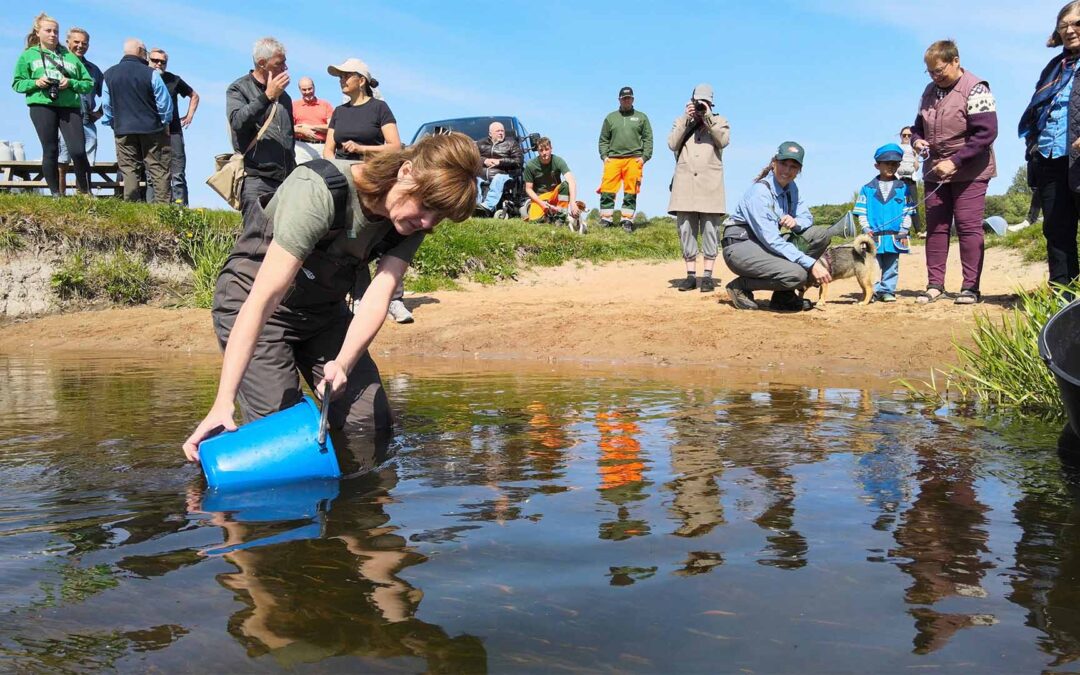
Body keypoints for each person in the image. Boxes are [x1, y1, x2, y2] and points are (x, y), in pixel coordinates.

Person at [182, 133, 481, 462]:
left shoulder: (410, 223)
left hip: (323, 313)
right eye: (425, 205)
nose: (426, 222)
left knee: (372, 422)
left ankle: (351, 500)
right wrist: (223, 401)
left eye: (438, 216)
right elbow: (262, 300)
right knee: (287, 435)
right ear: (406, 171)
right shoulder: (320, 189)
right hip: (256, 303)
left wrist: (343, 363)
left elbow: (378, 298)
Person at [911, 40, 998, 305]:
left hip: (970, 170)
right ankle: (935, 285)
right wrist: (917, 141)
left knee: (968, 227)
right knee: (936, 228)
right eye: (930, 72)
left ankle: (970, 288)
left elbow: (986, 133)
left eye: (939, 70)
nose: (935, 76)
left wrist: (956, 161)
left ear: (955, 61)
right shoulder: (929, 91)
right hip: (935, 171)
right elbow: (918, 127)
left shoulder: (976, 88)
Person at [721, 142, 835, 312]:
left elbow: (807, 217)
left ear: (799, 171)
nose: (787, 171)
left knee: (820, 235)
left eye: (793, 167)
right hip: (741, 246)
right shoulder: (760, 193)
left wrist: (796, 223)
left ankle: (783, 295)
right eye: (783, 164)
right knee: (797, 274)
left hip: (763, 243)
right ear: (774, 162)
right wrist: (812, 265)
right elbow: (772, 241)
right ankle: (740, 286)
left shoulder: (791, 188)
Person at [1018, 1, 1080, 286]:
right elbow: (1037, 110)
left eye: (1077, 23)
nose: (1070, 30)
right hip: (1050, 159)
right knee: (1057, 232)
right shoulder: (1054, 67)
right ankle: (1064, 304)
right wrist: (1033, 146)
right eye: (1063, 25)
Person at [11, 12, 94, 195]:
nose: (52, 35)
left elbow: (88, 83)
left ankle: (86, 192)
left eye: (55, 31)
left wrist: (70, 83)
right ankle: (56, 194)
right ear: (38, 32)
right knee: (50, 149)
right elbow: (17, 83)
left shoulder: (70, 56)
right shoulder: (29, 55)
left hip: (69, 106)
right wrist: (36, 83)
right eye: (48, 31)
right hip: (42, 105)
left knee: (78, 151)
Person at [667, 83, 730, 293]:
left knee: (711, 230)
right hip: (685, 184)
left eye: (706, 102)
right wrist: (687, 119)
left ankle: (708, 276)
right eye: (698, 102)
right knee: (686, 229)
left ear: (712, 103)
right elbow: (672, 144)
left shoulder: (719, 121)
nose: (701, 106)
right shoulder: (681, 121)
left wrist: (708, 116)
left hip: (710, 185)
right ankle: (691, 275)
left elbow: (723, 140)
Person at [226, 37, 295, 211]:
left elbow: (289, 136)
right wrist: (267, 97)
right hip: (257, 180)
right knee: (255, 237)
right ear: (262, 63)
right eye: (279, 63)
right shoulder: (239, 88)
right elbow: (237, 122)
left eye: (285, 63)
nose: (285, 68)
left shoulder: (285, 97)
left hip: (286, 181)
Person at [101, 38, 172, 203]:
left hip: (123, 129)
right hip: (152, 129)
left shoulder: (109, 74)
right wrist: (164, 122)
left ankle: (131, 205)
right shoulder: (151, 73)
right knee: (158, 169)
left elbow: (106, 104)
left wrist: (112, 123)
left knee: (129, 169)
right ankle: (163, 210)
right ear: (141, 51)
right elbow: (164, 102)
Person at [853, 144, 915, 303]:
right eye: (887, 163)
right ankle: (870, 292)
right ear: (877, 165)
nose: (891, 167)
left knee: (892, 265)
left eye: (895, 164)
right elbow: (862, 212)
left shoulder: (904, 188)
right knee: (870, 265)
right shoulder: (867, 189)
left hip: (895, 235)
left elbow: (908, 211)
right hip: (873, 236)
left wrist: (904, 228)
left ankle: (887, 290)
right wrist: (866, 228)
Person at [598, 86, 653, 232]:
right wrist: (604, 156)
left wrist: (644, 157)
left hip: (634, 159)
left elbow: (648, 139)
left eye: (629, 98)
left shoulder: (641, 117)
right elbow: (603, 139)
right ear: (619, 100)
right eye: (624, 98)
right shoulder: (611, 118)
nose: (626, 100)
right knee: (607, 189)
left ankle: (627, 220)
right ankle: (605, 218)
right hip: (613, 159)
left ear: (633, 99)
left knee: (630, 192)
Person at [148, 48, 199, 205]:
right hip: (150, 131)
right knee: (151, 174)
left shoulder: (173, 79)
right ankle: (152, 209)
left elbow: (194, 95)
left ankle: (180, 209)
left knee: (177, 174)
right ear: (148, 60)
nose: (159, 64)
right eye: (155, 60)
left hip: (174, 131)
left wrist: (189, 115)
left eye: (163, 62)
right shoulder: (143, 78)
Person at [324, 59, 400, 162]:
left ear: (361, 81)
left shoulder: (379, 107)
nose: (341, 80)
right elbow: (328, 150)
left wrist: (361, 149)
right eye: (341, 77)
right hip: (341, 172)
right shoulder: (338, 111)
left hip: (369, 171)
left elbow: (395, 147)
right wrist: (336, 168)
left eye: (346, 76)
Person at [57, 27, 103, 169]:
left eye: (84, 43)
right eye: (76, 42)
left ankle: (83, 191)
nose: (80, 46)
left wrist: (100, 112)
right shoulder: (56, 64)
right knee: (62, 160)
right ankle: (60, 191)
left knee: (87, 161)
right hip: (64, 118)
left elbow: (109, 94)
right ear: (67, 42)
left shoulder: (94, 70)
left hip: (86, 120)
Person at [522, 137, 582, 225]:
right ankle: (547, 216)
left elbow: (571, 181)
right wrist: (541, 203)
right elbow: (528, 189)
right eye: (541, 150)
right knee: (534, 222)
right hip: (540, 198)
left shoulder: (558, 161)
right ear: (537, 151)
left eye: (546, 149)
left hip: (554, 195)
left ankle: (560, 218)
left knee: (565, 185)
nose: (544, 153)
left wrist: (573, 202)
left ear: (551, 149)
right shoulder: (530, 165)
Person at [475, 121, 522, 216]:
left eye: (502, 131)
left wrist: (500, 161)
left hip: (505, 175)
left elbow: (518, 161)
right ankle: (476, 206)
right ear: (490, 133)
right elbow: (471, 158)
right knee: (474, 179)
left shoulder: (511, 143)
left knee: (498, 178)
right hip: (482, 175)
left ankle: (487, 206)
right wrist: (484, 161)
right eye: (498, 131)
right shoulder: (480, 144)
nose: (501, 133)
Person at [292, 76, 333, 163]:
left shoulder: (326, 105)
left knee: (322, 174)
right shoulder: (294, 105)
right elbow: (288, 127)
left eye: (310, 89)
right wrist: (301, 130)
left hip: (321, 146)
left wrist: (311, 127)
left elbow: (332, 127)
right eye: (304, 90)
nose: (307, 92)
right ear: (299, 90)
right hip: (301, 147)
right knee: (301, 174)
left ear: (314, 87)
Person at [897, 126, 922, 236]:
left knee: (914, 204)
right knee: (899, 204)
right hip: (898, 179)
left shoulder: (914, 149)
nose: (906, 137)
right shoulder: (897, 148)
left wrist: (916, 155)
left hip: (911, 179)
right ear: (900, 136)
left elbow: (916, 167)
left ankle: (918, 231)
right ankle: (902, 231)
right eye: (904, 135)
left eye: (909, 135)